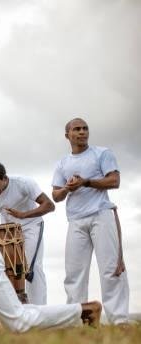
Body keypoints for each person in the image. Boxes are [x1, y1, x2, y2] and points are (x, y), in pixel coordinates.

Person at [52, 117, 129, 325]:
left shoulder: (102, 153)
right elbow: (55, 196)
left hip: (101, 215)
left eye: (85, 128)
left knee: (111, 269)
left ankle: (119, 321)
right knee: (74, 273)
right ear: (67, 135)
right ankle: (78, 322)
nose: (82, 132)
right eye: (76, 129)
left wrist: (86, 182)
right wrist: (68, 188)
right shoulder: (62, 163)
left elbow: (114, 181)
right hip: (75, 221)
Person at [0, 161, 55, 305]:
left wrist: (23, 215)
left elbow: (49, 205)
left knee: (32, 268)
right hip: (10, 233)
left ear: (4, 178)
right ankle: (19, 309)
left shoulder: (23, 183)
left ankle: (40, 310)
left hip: (32, 225)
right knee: (11, 270)